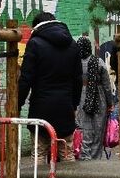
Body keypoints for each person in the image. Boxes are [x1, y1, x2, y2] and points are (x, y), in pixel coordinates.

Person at [18, 12, 82, 161]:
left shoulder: (34, 44)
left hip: (41, 107)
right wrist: (74, 104)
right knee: (66, 153)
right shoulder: (72, 44)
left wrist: (17, 103)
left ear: (37, 27)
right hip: (65, 107)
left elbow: (26, 79)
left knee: (39, 152)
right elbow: (77, 79)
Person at [76, 36, 114, 160]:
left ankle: (84, 157)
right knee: (98, 130)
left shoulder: (74, 63)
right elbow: (107, 85)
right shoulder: (98, 62)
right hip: (99, 98)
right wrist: (110, 103)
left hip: (81, 98)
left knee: (85, 129)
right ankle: (95, 159)